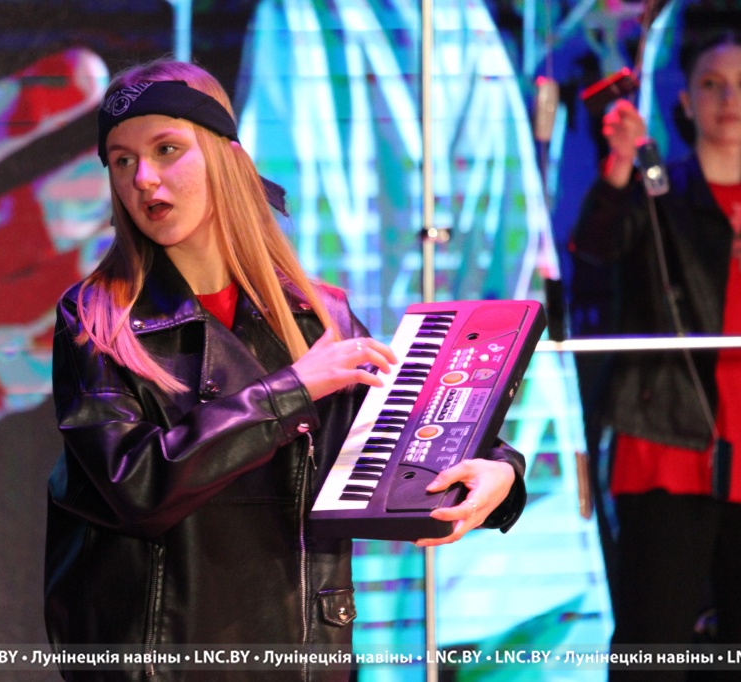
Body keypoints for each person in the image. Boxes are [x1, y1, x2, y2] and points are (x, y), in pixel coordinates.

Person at [45, 58, 528, 682]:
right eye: (121, 160)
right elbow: (135, 486)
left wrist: (500, 472)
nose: (144, 178)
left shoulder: (317, 315)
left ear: (224, 156)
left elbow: (403, 435)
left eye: (167, 149)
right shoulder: (96, 319)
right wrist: (292, 390)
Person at [568, 25, 741, 681]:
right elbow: (594, 254)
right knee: (654, 646)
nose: (729, 99)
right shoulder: (659, 190)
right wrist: (620, 166)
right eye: (712, 84)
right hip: (665, 446)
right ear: (687, 101)